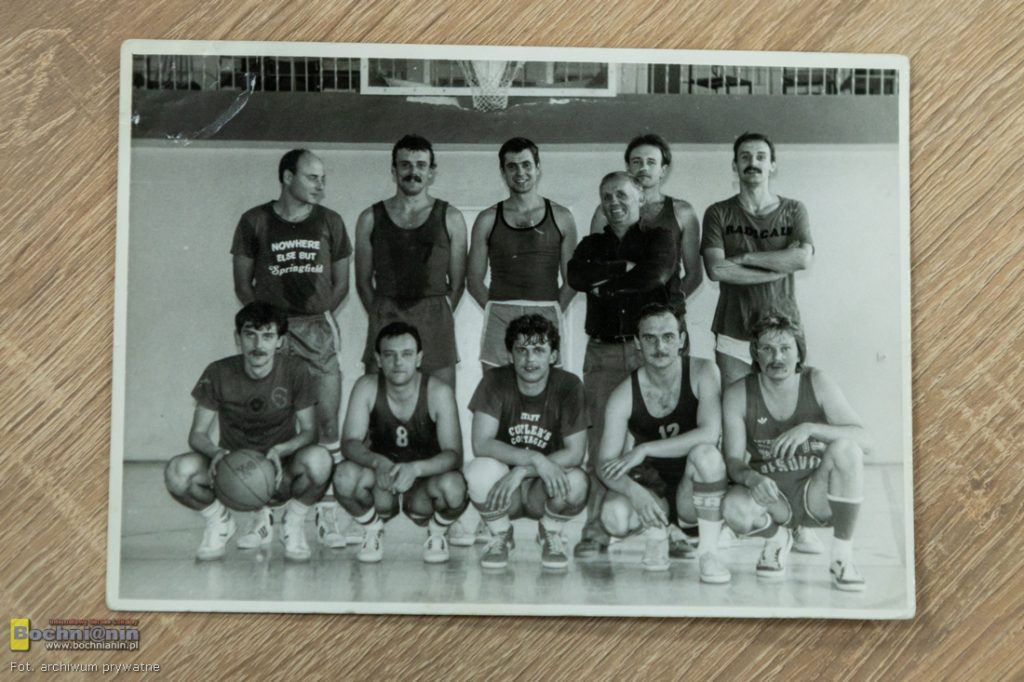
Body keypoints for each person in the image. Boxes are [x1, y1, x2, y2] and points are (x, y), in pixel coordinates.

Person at [230, 148, 353, 549]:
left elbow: (341, 284)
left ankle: (326, 516)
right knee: (269, 423)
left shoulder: (331, 222)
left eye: (323, 178)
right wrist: (269, 327)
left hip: (317, 331)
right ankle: (263, 516)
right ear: (287, 177)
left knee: (327, 424)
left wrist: (318, 314)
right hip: (274, 333)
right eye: (312, 177)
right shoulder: (254, 220)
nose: (321, 184)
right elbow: (242, 284)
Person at [164, 302, 332, 562]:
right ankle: (219, 521)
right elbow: (197, 434)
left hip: (279, 471)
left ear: (280, 341)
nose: (258, 344)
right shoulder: (218, 372)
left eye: (267, 336)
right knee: (178, 472)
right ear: (237, 338)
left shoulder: (296, 371)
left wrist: (281, 450)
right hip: (233, 471)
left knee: (320, 461)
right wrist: (216, 452)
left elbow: (310, 431)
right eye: (250, 334)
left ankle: (293, 523)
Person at [567, 171, 677, 558]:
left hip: (651, 353)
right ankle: (596, 531)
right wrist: (625, 268)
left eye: (622, 195)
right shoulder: (591, 244)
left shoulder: (660, 237)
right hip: (605, 353)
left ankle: (676, 528)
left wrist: (607, 283)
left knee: (663, 437)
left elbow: (655, 275)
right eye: (607, 196)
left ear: (641, 197)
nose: (614, 202)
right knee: (602, 444)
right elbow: (576, 275)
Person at [721, 312, 871, 591]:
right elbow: (732, 460)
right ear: (755, 353)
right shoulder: (738, 394)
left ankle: (842, 558)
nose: (777, 357)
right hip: (772, 496)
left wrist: (810, 428)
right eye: (767, 349)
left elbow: (866, 440)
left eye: (785, 348)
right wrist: (752, 478)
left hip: (816, 494)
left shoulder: (817, 381)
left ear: (799, 352)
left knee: (847, 449)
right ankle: (776, 538)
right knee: (732, 507)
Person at [597, 303, 730, 582]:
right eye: (650, 338)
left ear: (681, 340)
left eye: (668, 337)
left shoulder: (704, 371)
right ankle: (657, 535)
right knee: (613, 517)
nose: (660, 346)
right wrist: (635, 492)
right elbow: (604, 463)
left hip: (693, 491)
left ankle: (708, 552)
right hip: (652, 488)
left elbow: (709, 434)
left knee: (707, 455)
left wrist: (645, 448)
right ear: (637, 342)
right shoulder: (624, 394)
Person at [334, 322, 468, 563]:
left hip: (423, 487)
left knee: (455, 488)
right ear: (378, 359)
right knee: (344, 476)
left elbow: (454, 455)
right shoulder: (366, 387)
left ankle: (437, 532)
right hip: (383, 482)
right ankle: (372, 529)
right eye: (390, 355)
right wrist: (377, 462)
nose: (398, 362)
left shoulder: (438, 392)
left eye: (406, 354)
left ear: (419, 358)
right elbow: (349, 443)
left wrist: (416, 469)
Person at [463, 315, 589, 569]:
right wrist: (534, 458)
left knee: (577, 482)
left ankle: (550, 531)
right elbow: (481, 444)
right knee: (477, 471)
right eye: (521, 350)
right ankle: (501, 533)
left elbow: (575, 453)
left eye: (539, 350)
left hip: (542, 488)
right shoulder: (494, 381)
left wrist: (522, 471)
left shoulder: (569, 385)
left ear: (553, 356)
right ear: (510, 355)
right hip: (504, 489)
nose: (529, 359)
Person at [354, 134, 468, 389]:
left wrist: (436, 314)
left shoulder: (451, 217)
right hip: (386, 316)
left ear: (431, 172)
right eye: (405, 164)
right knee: (380, 402)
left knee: (439, 402)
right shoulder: (369, 218)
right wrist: (382, 314)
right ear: (394, 170)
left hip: (434, 322)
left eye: (421, 165)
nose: (413, 172)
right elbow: (362, 282)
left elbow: (458, 283)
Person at [700, 132, 814, 387]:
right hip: (733, 330)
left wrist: (744, 258)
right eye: (745, 157)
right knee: (735, 406)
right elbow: (717, 270)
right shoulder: (718, 212)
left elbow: (802, 258)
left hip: (783, 330)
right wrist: (779, 267)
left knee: (783, 406)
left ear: (772, 165)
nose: (753, 162)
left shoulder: (793, 210)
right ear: (735, 165)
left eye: (761, 157)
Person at [467, 137, 579, 371]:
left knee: (547, 389)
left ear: (538, 168)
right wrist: (497, 310)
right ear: (503, 172)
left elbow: (573, 280)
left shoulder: (562, 217)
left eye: (526, 165)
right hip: (501, 313)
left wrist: (551, 311)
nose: (520, 172)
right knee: (497, 388)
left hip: (546, 312)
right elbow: (474, 281)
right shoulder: (487, 219)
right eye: (512, 166)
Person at [589, 133, 702, 313]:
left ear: (663, 170)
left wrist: (666, 309)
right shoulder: (606, 211)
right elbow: (593, 269)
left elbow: (694, 274)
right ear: (628, 167)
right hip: (620, 318)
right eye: (637, 162)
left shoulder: (682, 212)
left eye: (651, 162)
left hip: (666, 319)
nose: (643, 167)